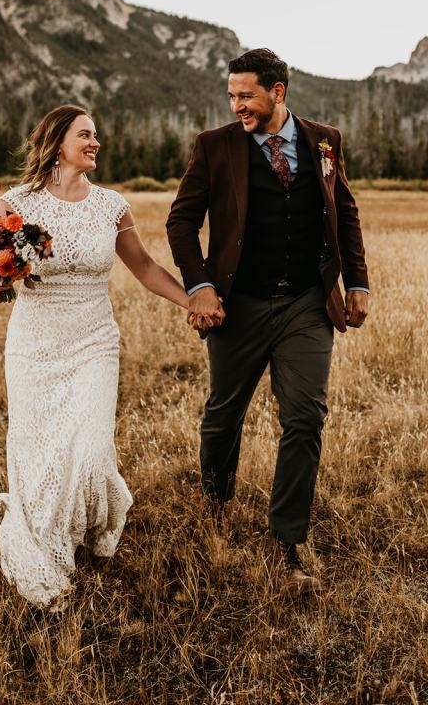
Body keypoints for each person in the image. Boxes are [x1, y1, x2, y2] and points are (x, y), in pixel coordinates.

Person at [0, 104, 190, 609]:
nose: (96, 142)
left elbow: (146, 268)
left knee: (89, 449)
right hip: (34, 345)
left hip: (93, 342)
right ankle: (42, 534)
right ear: (57, 141)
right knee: (39, 446)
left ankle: (76, 521)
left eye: (96, 135)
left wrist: (191, 299)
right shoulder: (15, 204)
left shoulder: (112, 206)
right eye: (85, 135)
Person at [166, 48, 369, 593]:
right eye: (231, 96)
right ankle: (215, 503)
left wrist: (358, 282)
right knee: (223, 416)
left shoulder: (325, 141)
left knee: (304, 419)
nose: (237, 106)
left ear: (278, 92)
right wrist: (200, 285)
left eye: (247, 95)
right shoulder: (215, 147)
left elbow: (344, 211)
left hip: (307, 302)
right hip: (240, 304)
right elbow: (181, 222)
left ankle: (288, 539)